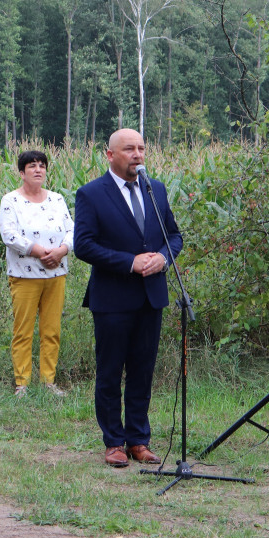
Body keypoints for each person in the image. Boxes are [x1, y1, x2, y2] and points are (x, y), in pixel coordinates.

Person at [74, 128, 183, 468]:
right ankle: (113, 442)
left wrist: (164, 258)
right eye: (129, 149)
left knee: (142, 371)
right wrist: (129, 262)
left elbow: (174, 236)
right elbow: (84, 245)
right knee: (110, 372)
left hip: (151, 296)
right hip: (112, 298)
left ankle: (138, 439)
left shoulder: (156, 189)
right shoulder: (92, 193)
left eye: (141, 148)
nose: (137, 154)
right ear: (109, 155)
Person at [0, 150, 74, 398]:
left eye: (42, 165)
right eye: (32, 166)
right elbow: (10, 236)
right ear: (22, 173)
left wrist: (62, 250)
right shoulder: (11, 201)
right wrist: (42, 252)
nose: (38, 170)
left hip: (55, 275)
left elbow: (72, 231)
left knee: (51, 330)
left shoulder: (57, 199)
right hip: (24, 275)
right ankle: (22, 383)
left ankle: (48, 382)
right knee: (23, 330)